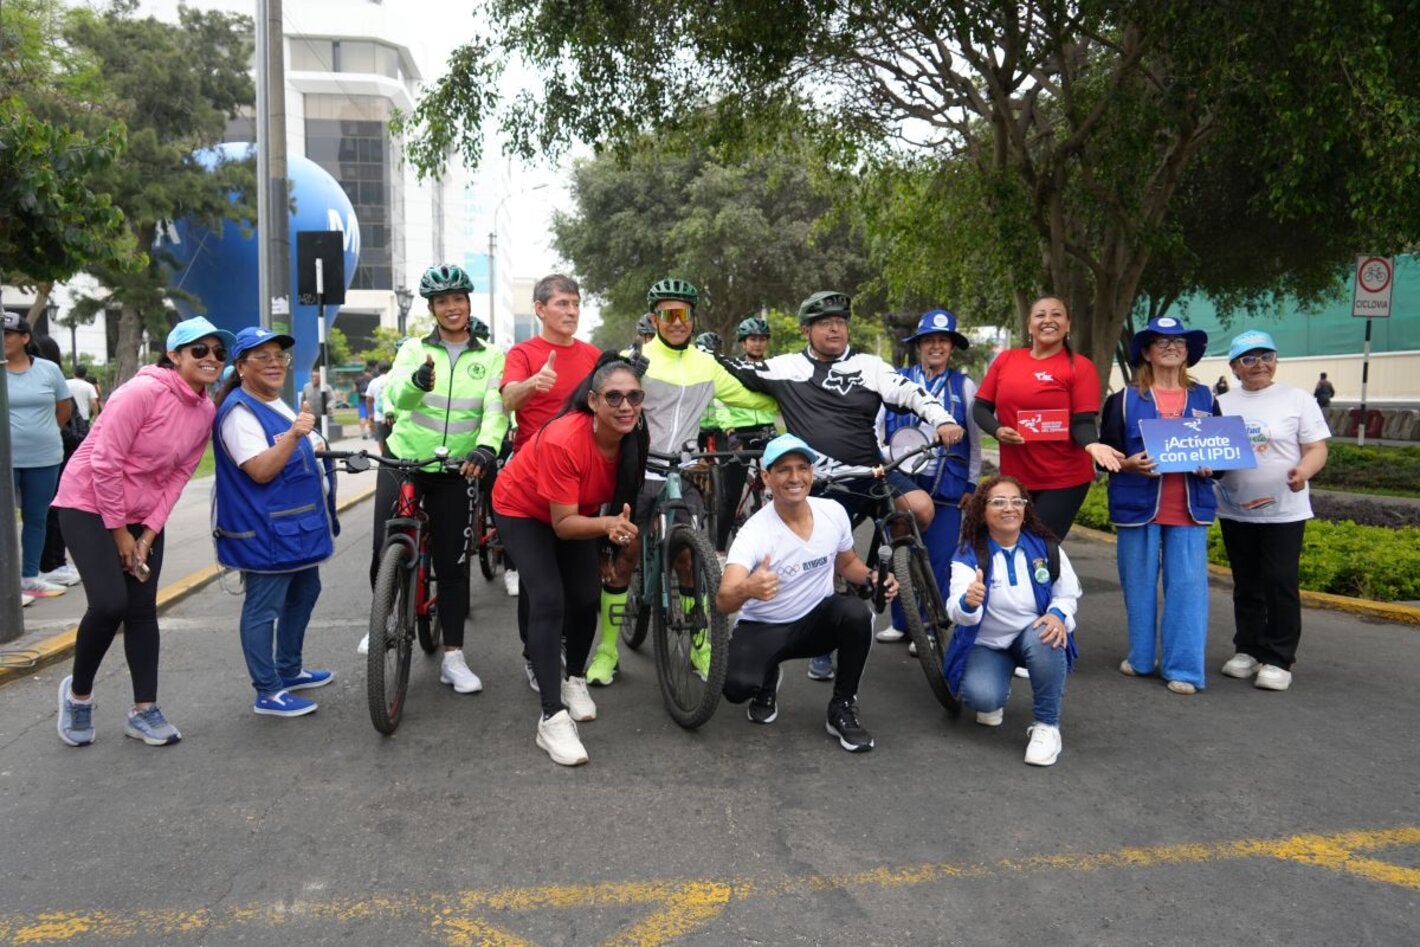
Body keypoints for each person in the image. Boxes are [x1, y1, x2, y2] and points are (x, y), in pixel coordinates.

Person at [714, 290, 964, 681]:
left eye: (841, 322)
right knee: (824, 556)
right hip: (823, 482)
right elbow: (730, 369)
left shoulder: (869, 365)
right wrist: (702, 349)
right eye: (825, 322)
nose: (835, 328)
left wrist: (943, 420)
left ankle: (894, 559)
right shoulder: (785, 368)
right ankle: (825, 638)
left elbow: (913, 393)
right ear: (806, 330)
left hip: (872, 472)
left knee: (919, 508)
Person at [52, 316, 233, 747]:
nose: (211, 359)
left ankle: (144, 710)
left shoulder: (205, 409)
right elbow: (105, 463)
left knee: (141, 609)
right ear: (174, 355)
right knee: (109, 602)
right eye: (200, 351)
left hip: (141, 515)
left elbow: (179, 475)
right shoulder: (141, 392)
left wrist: (148, 534)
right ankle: (78, 697)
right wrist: (120, 534)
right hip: (87, 504)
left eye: (219, 353)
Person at [589, 277, 777, 687]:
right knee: (624, 558)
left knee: (691, 560)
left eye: (684, 314)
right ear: (655, 318)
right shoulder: (632, 359)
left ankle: (700, 645)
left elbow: (751, 398)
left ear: (693, 319)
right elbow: (592, 401)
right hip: (638, 474)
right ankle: (606, 650)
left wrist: (800, 401)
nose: (677, 322)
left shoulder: (706, 365)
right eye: (668, 314)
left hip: (682, 472)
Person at [492, 352, 648, 765]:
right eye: (614, 398)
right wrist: (606, 526)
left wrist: (609, 537)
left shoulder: (633, 433)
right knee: (548, 599)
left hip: (577, 514)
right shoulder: (566, 438)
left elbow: (617, 498)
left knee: (584, 597)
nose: (626, 406)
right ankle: (551, 718)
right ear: (593, 401)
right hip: (522, 508)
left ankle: (573, 678)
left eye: (634, 396)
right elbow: (562, 526)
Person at [363, 264, 508, 692]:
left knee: (452, 563)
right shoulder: (412, 349)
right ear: (432, 308)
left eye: (458, 299)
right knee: (384, 543)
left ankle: (454, 658)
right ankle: (385, 619)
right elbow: (396, 397)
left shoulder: (491, 356)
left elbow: (495, 410)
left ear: (468, 303)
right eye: (442, 302)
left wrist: (487, 448)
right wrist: (417, 381)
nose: (451, 307)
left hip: (457, 467)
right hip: (406, 459)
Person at [717, 434, 894, 752]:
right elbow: (724, 598)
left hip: (816, 622)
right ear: (766, 477)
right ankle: (766, 679)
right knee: (734, 688)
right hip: (764, 628)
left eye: (803, 467)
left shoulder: (833, 512)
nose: (795, 477)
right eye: (783, 470)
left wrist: (873, 577)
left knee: (856, 614)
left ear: (813, 473)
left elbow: (848, 563)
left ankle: (842, 707)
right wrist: (748, 588)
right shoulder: (754, 533)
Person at [213, 327, 339, 718]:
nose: (274, 363)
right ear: (241, 366)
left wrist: (310, 443)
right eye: (261, 356)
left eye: (278, 356)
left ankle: (289, 669)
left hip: (295, 530)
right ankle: (267, 690)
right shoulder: (239, 411)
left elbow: (295, 445)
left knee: (305, 592)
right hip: (266, 533)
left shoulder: (276, 403)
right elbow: (262, 470)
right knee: (263, 608)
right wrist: (294, 436)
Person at [1100, 316, 1220, 695]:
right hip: (1138, 507)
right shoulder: (1122, 401)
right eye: (1162, 342)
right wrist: (1127, 463)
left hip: (1189, 509)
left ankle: (1184, 669)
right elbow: (1106, 455)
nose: (1172, 347)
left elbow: (1222, 453)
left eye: (1180, 343)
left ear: (1188, 354)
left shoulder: (1206, 399)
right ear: (1147, 353)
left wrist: (1211, 464)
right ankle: (1140, 658)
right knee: (1138, 587)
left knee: (1188, 589)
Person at [1215, 330, 1329, 692]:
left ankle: (1279, 657)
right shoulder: (1222, 403)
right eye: (1248, 359)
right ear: (1234, 367)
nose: (1258, 365)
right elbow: (1210, 450)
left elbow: (1316, 448)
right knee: (1246, 582)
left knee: (1279, 581)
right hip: (1235, 510)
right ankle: (1248, 648)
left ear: (1276, 361)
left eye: (1266, 356)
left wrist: (1304, 472)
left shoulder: (1297, 400)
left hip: (1284, 511)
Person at [944, 476, 1082, 767]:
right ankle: (998, 682)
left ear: (1025, 508)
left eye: (1016, 501)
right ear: (982, 511)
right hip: (988, 644)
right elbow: (955, 613)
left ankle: (1047, 726)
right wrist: (969, 602)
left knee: (1049, 631)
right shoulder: (969, 554)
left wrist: (1057, 614)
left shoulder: (1047, 547)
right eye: (998, 502)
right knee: (981, 699)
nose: (1009, 508)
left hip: (1031, 636)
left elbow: (1067, 593)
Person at [972, 295, 1123, 539]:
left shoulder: (1080, 367)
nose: (1048, 320)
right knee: (1007, 545)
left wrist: (1092, 443)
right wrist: (998, 430)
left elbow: (1082, 421)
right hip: (1015, 478)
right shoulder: (1006, 360)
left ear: (1068, 325)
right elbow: (980, 408)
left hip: (1063, 479)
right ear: (1029, 325)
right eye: (1040, 315)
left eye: (1056, 314)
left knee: (1038, 547)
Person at [878, 308, 981, 644]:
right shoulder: (897, 381)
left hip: (947, 484)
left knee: (938, 558)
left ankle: (929, 627)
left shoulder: (963, 386)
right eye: (929, 341)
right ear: (919, 345)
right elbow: (877, 430)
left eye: (943, 341)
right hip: (903, 479)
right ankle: (900, 621)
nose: (936, 346)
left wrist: (971, 483)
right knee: (898, 550)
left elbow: (976, 440)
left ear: (951, 347)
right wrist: (886, 462)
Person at [500, 275, 602, 605]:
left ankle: (571, 650)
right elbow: (508, 400)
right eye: (562, 304)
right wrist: (533, 383)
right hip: (532, 478)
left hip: (579, 476)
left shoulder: (593, 356)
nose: (571, 311)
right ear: (540, 309)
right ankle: (534, 651)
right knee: (539, 583)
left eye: (575, 304)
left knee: (580, 585)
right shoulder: (522, 353)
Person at [5, 313, 72, 601]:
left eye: (8, 333)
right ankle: (5, 584)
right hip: (6, 460)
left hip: (44, 456)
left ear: (24, 338)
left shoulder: (48, 370)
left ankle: (30, 577)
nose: (3, 338)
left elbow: (63, 408)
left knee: (37, 517)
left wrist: (43, 432)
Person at [713, 316, 780, 552]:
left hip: (766, 430)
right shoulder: (733, 368)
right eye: (753, 339)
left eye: (762, 339)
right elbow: (720, 402)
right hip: (738, 434)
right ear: (743, 343)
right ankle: (719, 549)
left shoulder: (773, 369)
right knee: (730, 496)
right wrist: (730, 431)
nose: (758, 344)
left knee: (782, 488)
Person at [365, 360, 392, 453]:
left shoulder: (374, 382)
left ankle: (384, 459)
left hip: (379, 417)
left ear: (378, 370)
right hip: (394, 417)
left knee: (381, 440)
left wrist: (370, 414)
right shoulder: (394, 380)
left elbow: (369, 399)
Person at [354, 359, 376, 438]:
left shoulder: (359, 379)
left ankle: (363, 432)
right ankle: (372, 432)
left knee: (362, 417)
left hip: (362, 401)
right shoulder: (373, 379)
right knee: (371, 415)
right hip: (371, 400)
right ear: (371, 372)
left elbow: (355, 389)